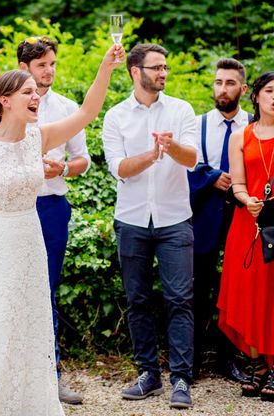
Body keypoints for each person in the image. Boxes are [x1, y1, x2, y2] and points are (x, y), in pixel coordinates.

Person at [0, 44, 122, 415]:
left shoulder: (40, 138)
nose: (36, 96)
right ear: (4, 101)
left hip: (29, 241)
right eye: (28, 93)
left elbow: (88, 112)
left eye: (36, 93)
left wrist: (106, 67)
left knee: (27, 324)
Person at [102, 43, 198, 409]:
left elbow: (191, 160)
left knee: (179, 299)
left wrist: (171, 148)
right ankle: (148, 374)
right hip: (131, 219)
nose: (163, 73)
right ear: (135, 71)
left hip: (175, 219)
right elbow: (119, 168)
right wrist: (151, 154)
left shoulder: (181, 110)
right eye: (156, 67)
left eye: (165, 68)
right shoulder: (115, 116)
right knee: (137, 299)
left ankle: (182, 379)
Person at [17, 36, 90, 404]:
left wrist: (64, 168)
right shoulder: (3, 105)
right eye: (42, 64)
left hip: (51, 207)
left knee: (47, 290)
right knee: (13, 290)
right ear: (24, 68)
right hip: (13, 209)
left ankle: (52, 375)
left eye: (52, 64)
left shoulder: (67, 107)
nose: (49, 71)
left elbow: (84, 160)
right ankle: (13, 376)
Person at [187, 58, 250, 381]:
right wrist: (210, 176)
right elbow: (186, 167)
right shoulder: (198, 125)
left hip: (243, 218)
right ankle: (193, 359)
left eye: (229, 83)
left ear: (243, 88)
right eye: (218, 82)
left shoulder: (254, 126)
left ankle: (229, 359)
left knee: (235, 290)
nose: (222, 89)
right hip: (205, 218)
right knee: (200, 289)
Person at [219, 71, 274, 402]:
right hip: (248, 224)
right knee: (250, 293)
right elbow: (237, 182)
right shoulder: (241, 136)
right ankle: (257, 363)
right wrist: (246, 199)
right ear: (255, 96)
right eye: (269, 90)